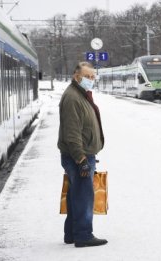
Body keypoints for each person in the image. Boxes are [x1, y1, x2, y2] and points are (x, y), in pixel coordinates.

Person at [58, 62, 107, 248]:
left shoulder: (80, 95)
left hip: (82, 154)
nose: (91, 80)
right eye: (88, 76)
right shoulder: (72, 98)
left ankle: (71, 233)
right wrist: (81, 159)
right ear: (76, 76)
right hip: (78, 156)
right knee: (84, 197)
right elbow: (72, 133)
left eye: (93, 77)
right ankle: (83, 235)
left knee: (75, 195)